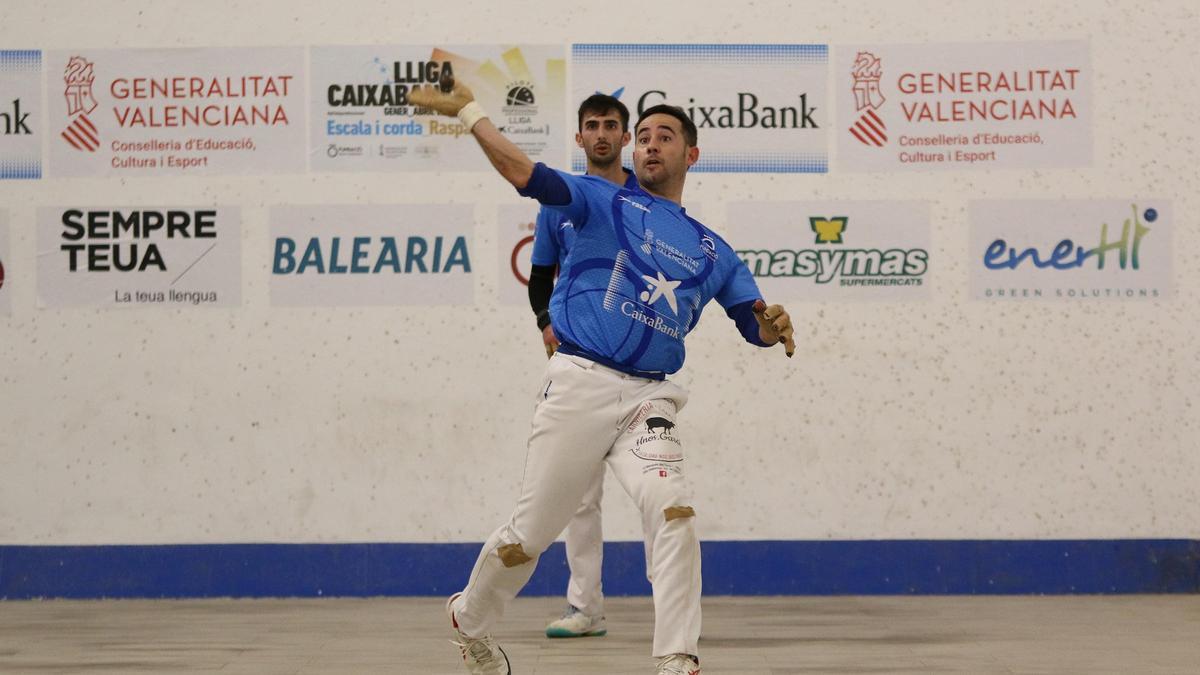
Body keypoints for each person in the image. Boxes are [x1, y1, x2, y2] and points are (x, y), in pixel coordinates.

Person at [410, 79, 795, 675]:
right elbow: (522, 173)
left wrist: (773, 325)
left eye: (664, 137)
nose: (648, 146)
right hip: (579, 382)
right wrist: (469, 110)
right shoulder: (594, 197)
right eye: (641, 137)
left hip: (651, 395)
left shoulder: (714, 250)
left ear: (691, 155)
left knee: (672, 508)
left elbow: (754, 324)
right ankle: (470, 620)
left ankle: (676, 658)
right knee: (528, 538)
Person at [529, 93, 638, 640]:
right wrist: (548, 324)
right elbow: (539, 278)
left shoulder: (651, 200)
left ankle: (675, 617)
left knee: (661, 495)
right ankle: (585, 607)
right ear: (578, 138)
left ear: (626, 137)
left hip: (642, 374)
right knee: (579, 494)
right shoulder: (559, 201)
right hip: (577, 367)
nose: (600, 133)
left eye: (611, 126)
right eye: (591, 125)